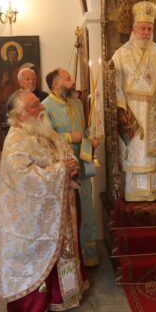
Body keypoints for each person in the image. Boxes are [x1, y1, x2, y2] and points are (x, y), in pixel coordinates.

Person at [0, 90, 88, 311]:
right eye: (34, 105)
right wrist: (62, 170)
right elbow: (24, 178)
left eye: (39, 103)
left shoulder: (45, 130)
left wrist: (73, 165)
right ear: (20, 115)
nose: (42, 108)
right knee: (37, 259)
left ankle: (62, 295)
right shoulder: (15, 140)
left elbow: (65, 152)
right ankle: (37, 302)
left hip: (60, 207)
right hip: (32, 220)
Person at [112, 0, 156, 202]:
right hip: (133, 112)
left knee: (153, 155)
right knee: (136, 152)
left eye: (149, 29)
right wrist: (121, 108)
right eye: (143, 28)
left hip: (154, 111)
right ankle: (134, 195)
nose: (146, 33)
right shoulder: (121, 54)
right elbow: (115, 84)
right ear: (134, 29)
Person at [43, 68, 98, 267]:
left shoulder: (77, 103)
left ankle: (88, 256)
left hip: (82, 164)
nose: (72, 81)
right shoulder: (45, 107)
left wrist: (90, 139)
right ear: (56, 84)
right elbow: (45, 139)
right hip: (63, 168)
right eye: (68, 79)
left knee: (87, 209)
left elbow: (83, 131)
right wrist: (69, 137)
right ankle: (70, 260)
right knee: (68, 212)